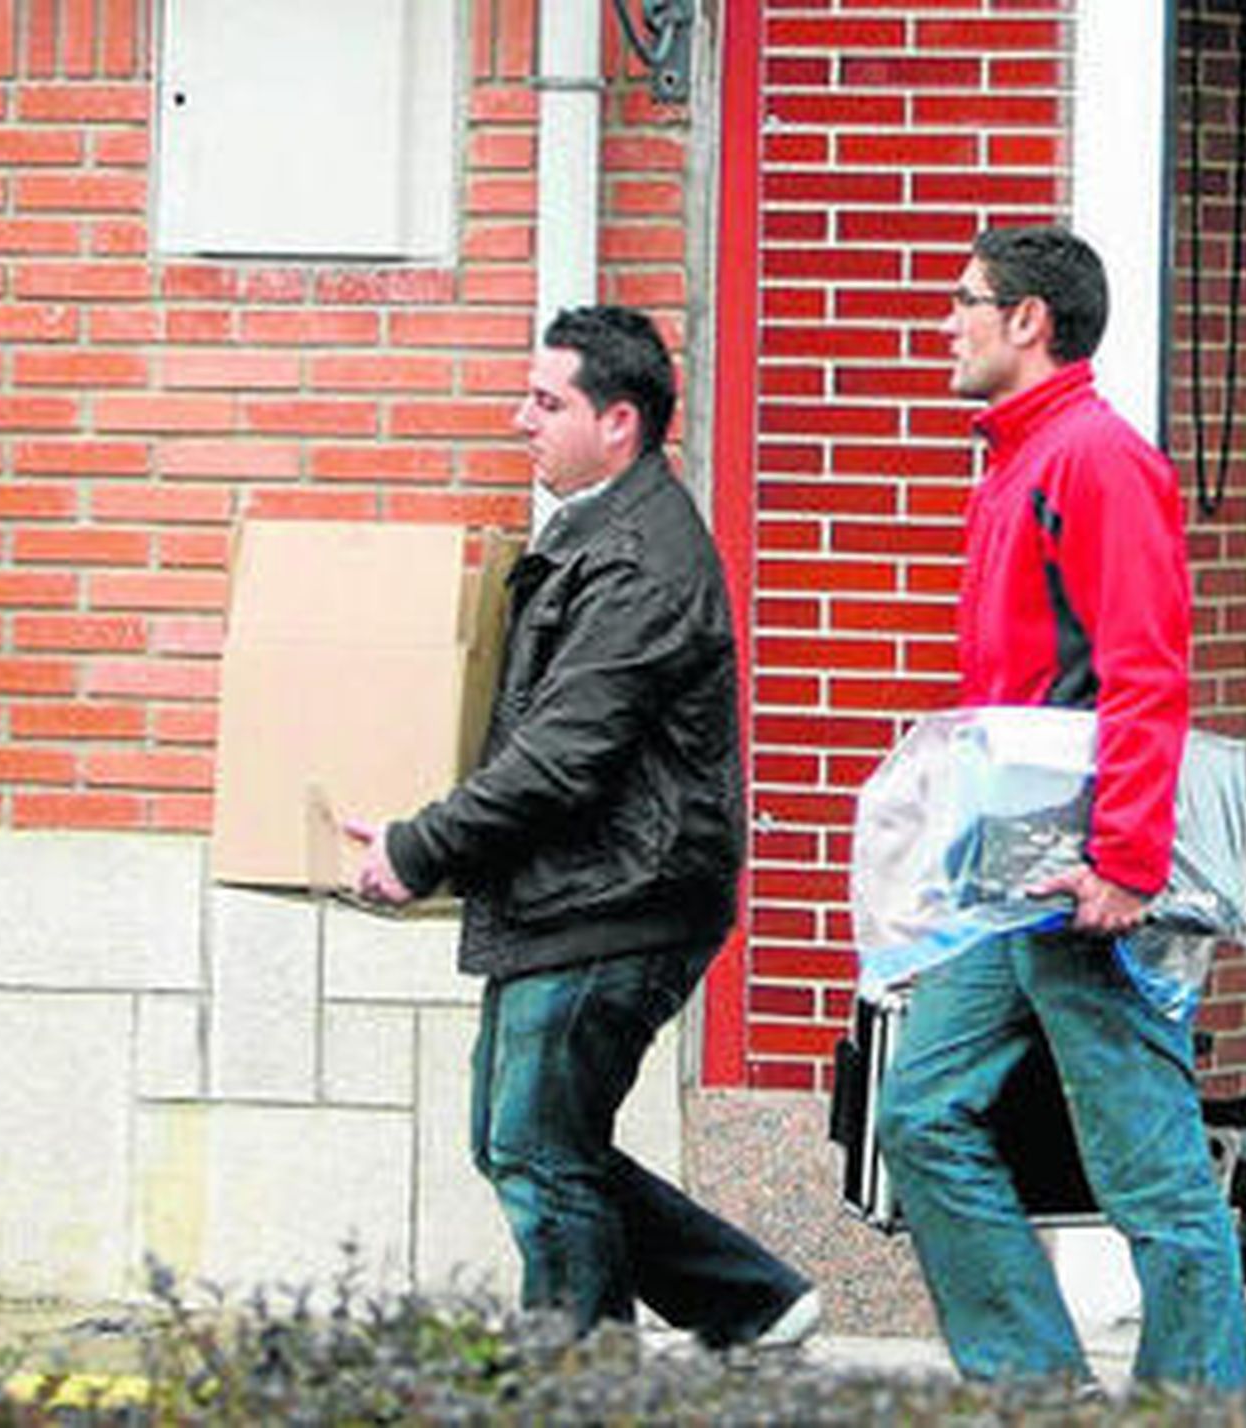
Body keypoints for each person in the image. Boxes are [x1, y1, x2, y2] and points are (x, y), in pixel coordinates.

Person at [344, 304, 819, 1349]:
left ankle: (584, 1384)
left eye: (545, 401)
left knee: (538, 1151)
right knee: (519, 1139)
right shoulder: (602, 532)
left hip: (620, 898)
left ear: (619, 424)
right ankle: (751, 1300)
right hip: (585, 889)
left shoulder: (639, 561)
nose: (521, 419)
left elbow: (564, 755)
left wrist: (420, 847)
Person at [873, 227, 1246, 1392]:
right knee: (921, 1115)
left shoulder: (1093, 460)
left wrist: (1127, 867)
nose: (947, 321)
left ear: (1028, 320)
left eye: (964, 299)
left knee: (1153, 1180)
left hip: (1087, 882)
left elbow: (1146, 668)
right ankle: (1037, 1395)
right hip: (1015, 881)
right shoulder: (1017, 460)